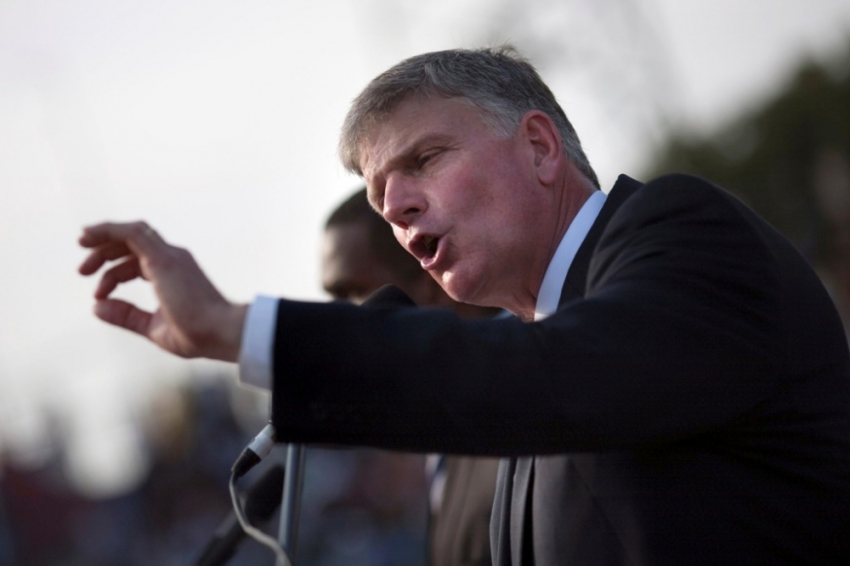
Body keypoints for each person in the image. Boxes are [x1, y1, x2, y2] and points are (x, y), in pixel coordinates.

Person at [78, 46, 850, 564]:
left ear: (541, 149)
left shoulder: (683, 233)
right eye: (383, 201)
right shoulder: (526, 371)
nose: (400, 208)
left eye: (425, 160)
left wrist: (238, 328)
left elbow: (554, 379)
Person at [323, 187, 499, 566]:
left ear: (431, 278)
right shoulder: (443, 424)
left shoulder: (515, 414)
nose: (341, 322)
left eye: (353, 294)